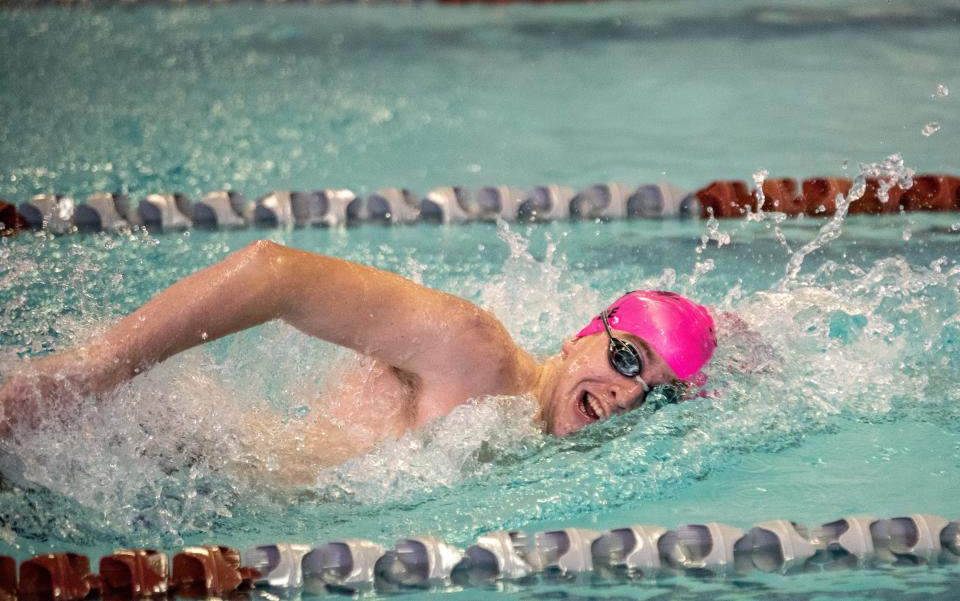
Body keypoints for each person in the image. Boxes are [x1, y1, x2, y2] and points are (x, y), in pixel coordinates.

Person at [0, 240, 716, 478]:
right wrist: (84, 375)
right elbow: (270, 273)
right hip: (156, 456)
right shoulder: (476, 353)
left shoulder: (525, 436)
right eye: (627, 358)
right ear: (580, 335)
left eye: (651, 392)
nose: (626, 395)